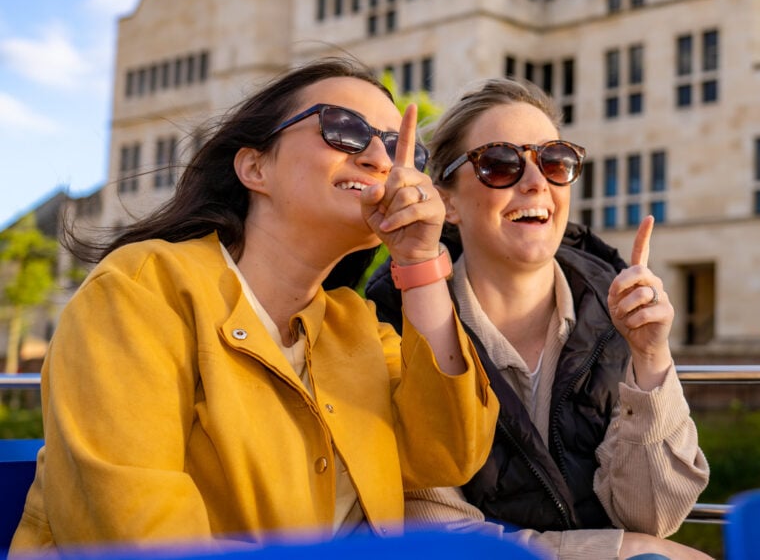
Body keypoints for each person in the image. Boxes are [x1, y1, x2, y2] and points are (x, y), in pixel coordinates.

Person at [10, 56, 498, 555]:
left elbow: (447, 453)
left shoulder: (355, 325)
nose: (381, 158)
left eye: (402, 149)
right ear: (254, 166)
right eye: (345, 129)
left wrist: (420, 262)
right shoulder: (141, 289)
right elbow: (138, 537)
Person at [366, 78, 711, 560]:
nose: (536, 182)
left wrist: (651, 357)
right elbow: (440, 536)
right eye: (500, 164)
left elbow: (652, 516)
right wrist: (616, 550)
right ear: (448, 203)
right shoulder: (389, 324)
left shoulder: (615, 312)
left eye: (555, 161)